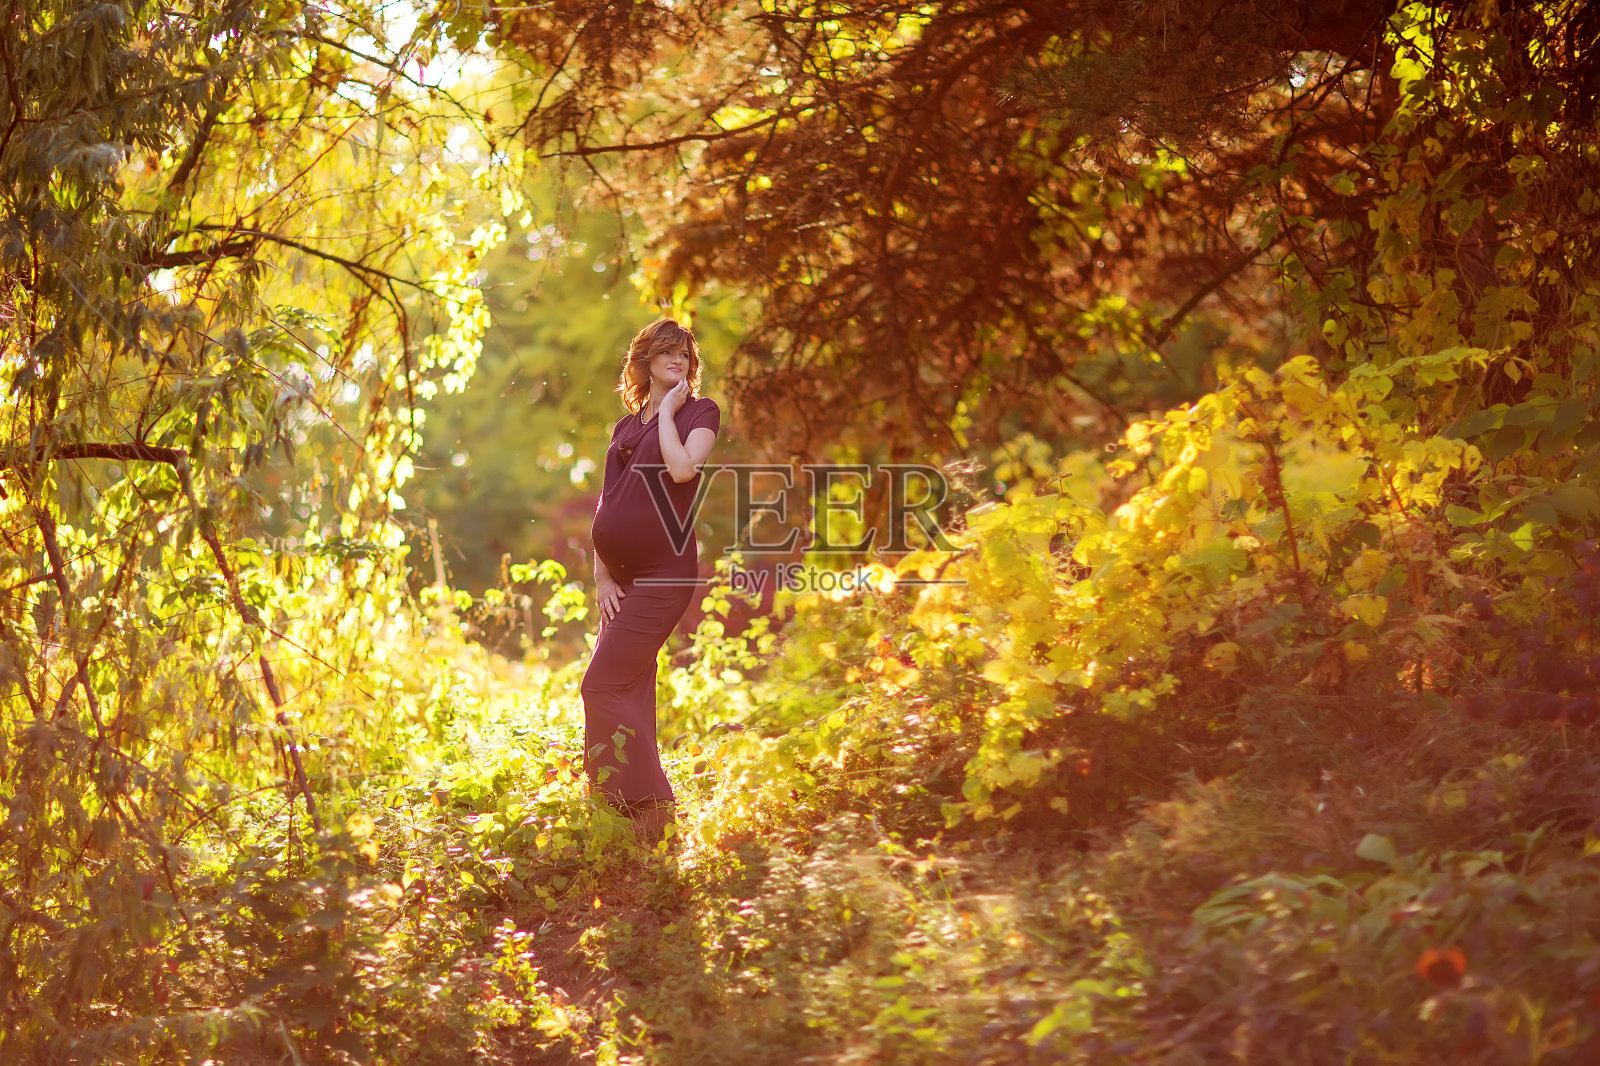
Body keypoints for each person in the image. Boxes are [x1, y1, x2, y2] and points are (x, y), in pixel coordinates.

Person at [581, 318, 720, 841]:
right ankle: (619, 813)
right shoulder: (624, 427)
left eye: (685, 354)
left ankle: (652, 803)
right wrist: (602, 577)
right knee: (631, 686)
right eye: (667, 351)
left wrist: (666, 413)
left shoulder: (699, 413)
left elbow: (682, 470)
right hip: (622, 578)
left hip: (665, 574)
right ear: (645, 360)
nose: (678, 360)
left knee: (601, 685)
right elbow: (607, 501)